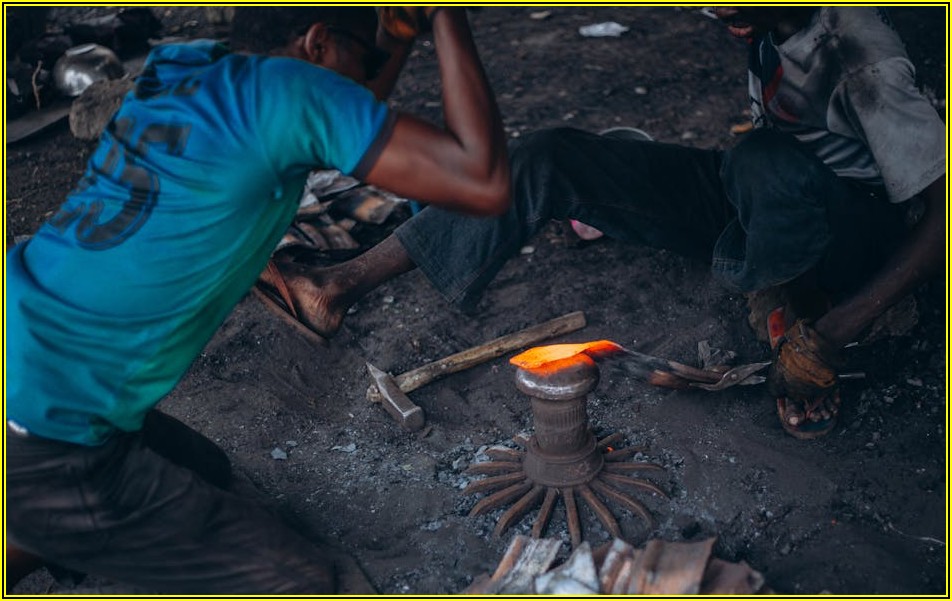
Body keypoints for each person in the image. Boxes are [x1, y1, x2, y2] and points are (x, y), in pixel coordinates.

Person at [258, 6, 944, 440]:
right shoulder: (758, 18)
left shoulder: (861, 52)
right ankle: (339, 285)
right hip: (758, 192)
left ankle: (803, 318)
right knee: (552, 154)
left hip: (847, 231)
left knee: (764, 161)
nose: (718, 13)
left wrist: (836, 329)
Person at [6, 6, 509, 594]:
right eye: (361, 51)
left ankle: (40, 528)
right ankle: (38, 524)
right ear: (318, 42)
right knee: (316, 583)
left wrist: (391, 40)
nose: (368, 72)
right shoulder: (292, 97)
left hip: (22, 348)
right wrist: (449, 17)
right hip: (46, 437)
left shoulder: (182, 67)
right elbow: (483, 182)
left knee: (215, 478)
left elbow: (339, 110)